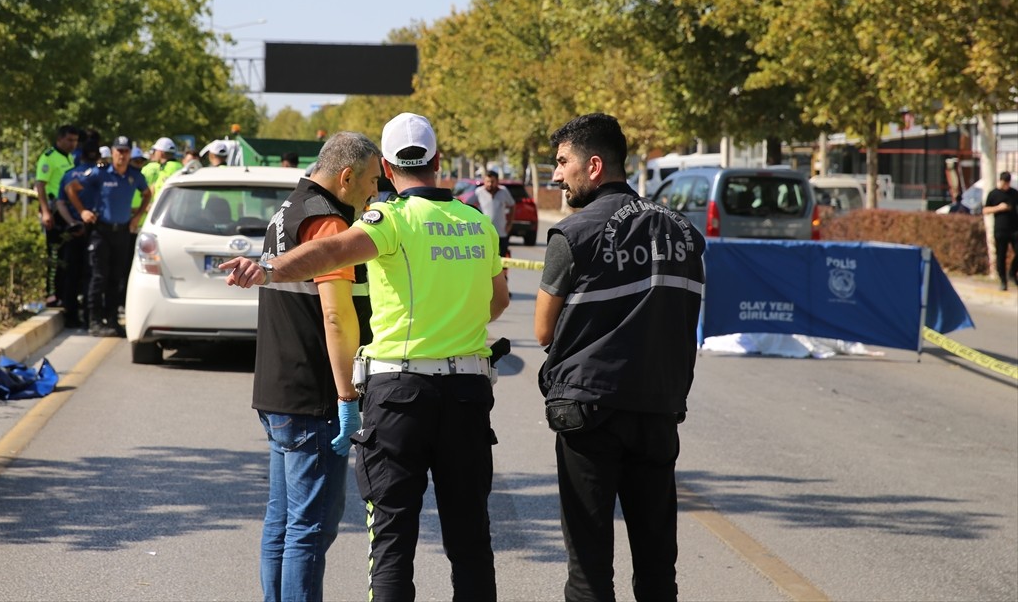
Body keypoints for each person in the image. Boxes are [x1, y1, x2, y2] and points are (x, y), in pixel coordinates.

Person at [222, 112, 509, 602]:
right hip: (466, 393)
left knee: (392, 541)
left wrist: (268, 268)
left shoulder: (389, 220)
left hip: (399, 397)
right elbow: (498, 301)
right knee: (471, 538)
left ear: (390, 169)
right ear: (438, 162)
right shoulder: (476, 222)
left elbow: (330, 253)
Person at [535, 112, 706, 602]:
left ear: (593, 166)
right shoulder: (686, 235)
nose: (556, 173)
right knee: (657, 566)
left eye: (562, 162)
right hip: (657, 410)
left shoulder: (574, 233)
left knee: (589, 569)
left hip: (588, 413)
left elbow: (544, 329)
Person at [253, 132, 382, 602]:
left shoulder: (288, 210)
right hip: (313, 397)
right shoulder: (325, 221)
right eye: (370, 181)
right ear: (345, 176)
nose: (374, 192)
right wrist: (347, 396)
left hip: (277, 389)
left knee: (282, 522)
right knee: (310, 529)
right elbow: (334, 312)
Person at [64, 136, 151, 337]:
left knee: (116, 278)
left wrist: (137, 217)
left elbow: (147, 193)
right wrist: (83, 211)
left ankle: (112, 320)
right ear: (112, 152)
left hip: (121, 231)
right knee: (98, 276)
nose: (122, 155)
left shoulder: (134, 176)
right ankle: (94, 320)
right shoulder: (100, 173)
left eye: (126, 151)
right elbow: (71, 189)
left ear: (130, 153)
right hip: (100, 231)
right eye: (118, 151)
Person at [54, 139, 101, 328]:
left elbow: (61, 202)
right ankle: (91, 317)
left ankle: (71, 315)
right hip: (96, 230)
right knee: (93, 274)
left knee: (71, 274)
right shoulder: (101, 174)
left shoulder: (69, 175)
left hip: (73, 230)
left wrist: (72, 222)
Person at [34, 125, 80, 308]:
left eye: (75, 141)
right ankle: (51, 294)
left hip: (66, 211)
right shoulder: (49, 157)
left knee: (66, 256)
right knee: (54, 255)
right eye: (69, 140)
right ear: (59, 139)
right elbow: (40, 184)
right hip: (53, 211)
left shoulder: (69, 158)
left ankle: (63, 293)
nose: (72, 144)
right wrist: (45, 211)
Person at [982, 171, 1018, 291]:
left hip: (1014, 229)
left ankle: (1012, 272)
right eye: (1004, 183)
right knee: (1001, 256)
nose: (1006, 185)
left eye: (1008, 183)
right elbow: (985, 210)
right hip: (1000, 229)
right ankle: (1003, 281)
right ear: (1000, 181)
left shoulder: (1014, 193)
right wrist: (999, 208)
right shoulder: (993, 194)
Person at [474, 170, 515, 258]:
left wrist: (509, 224)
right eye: (487, 181)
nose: (489, 184)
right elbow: (467, 205)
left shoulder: (503, 191)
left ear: (497, 181)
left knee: (502, 260)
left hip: (501, 233)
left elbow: (512, 205)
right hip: (484, 234)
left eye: (492, 182)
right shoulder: (478, 192)